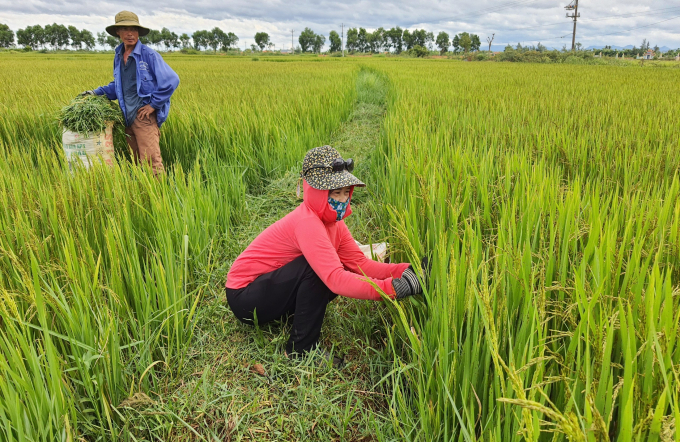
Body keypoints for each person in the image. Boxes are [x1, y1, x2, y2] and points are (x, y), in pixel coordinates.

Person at [225, 146, 426, 366]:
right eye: (333, 193)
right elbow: (335, 279)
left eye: (345, 192)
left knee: (329, 267)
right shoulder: (307, 223)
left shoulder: (334, 223)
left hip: (269, 287)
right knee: (319, 270)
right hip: (245, 296)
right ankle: (300, 350)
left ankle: (294, 315)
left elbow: (360, 264)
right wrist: (392, 288)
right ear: (316, 192)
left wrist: (407, 270)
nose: (341, 200)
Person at [81, 11, 179, 175]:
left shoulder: (149, 56)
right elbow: (118, 86)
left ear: (139, 32)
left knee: (152, 162)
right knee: (136, 160)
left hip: (144, 117)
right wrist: (95, 93)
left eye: (133, 29)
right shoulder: (119, 56)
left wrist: (153, 105)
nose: (129, 33)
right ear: (117, 32)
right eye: (124, 29)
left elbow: (172, 80)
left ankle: (159, 197)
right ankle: (143, 193)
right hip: (127, 116)